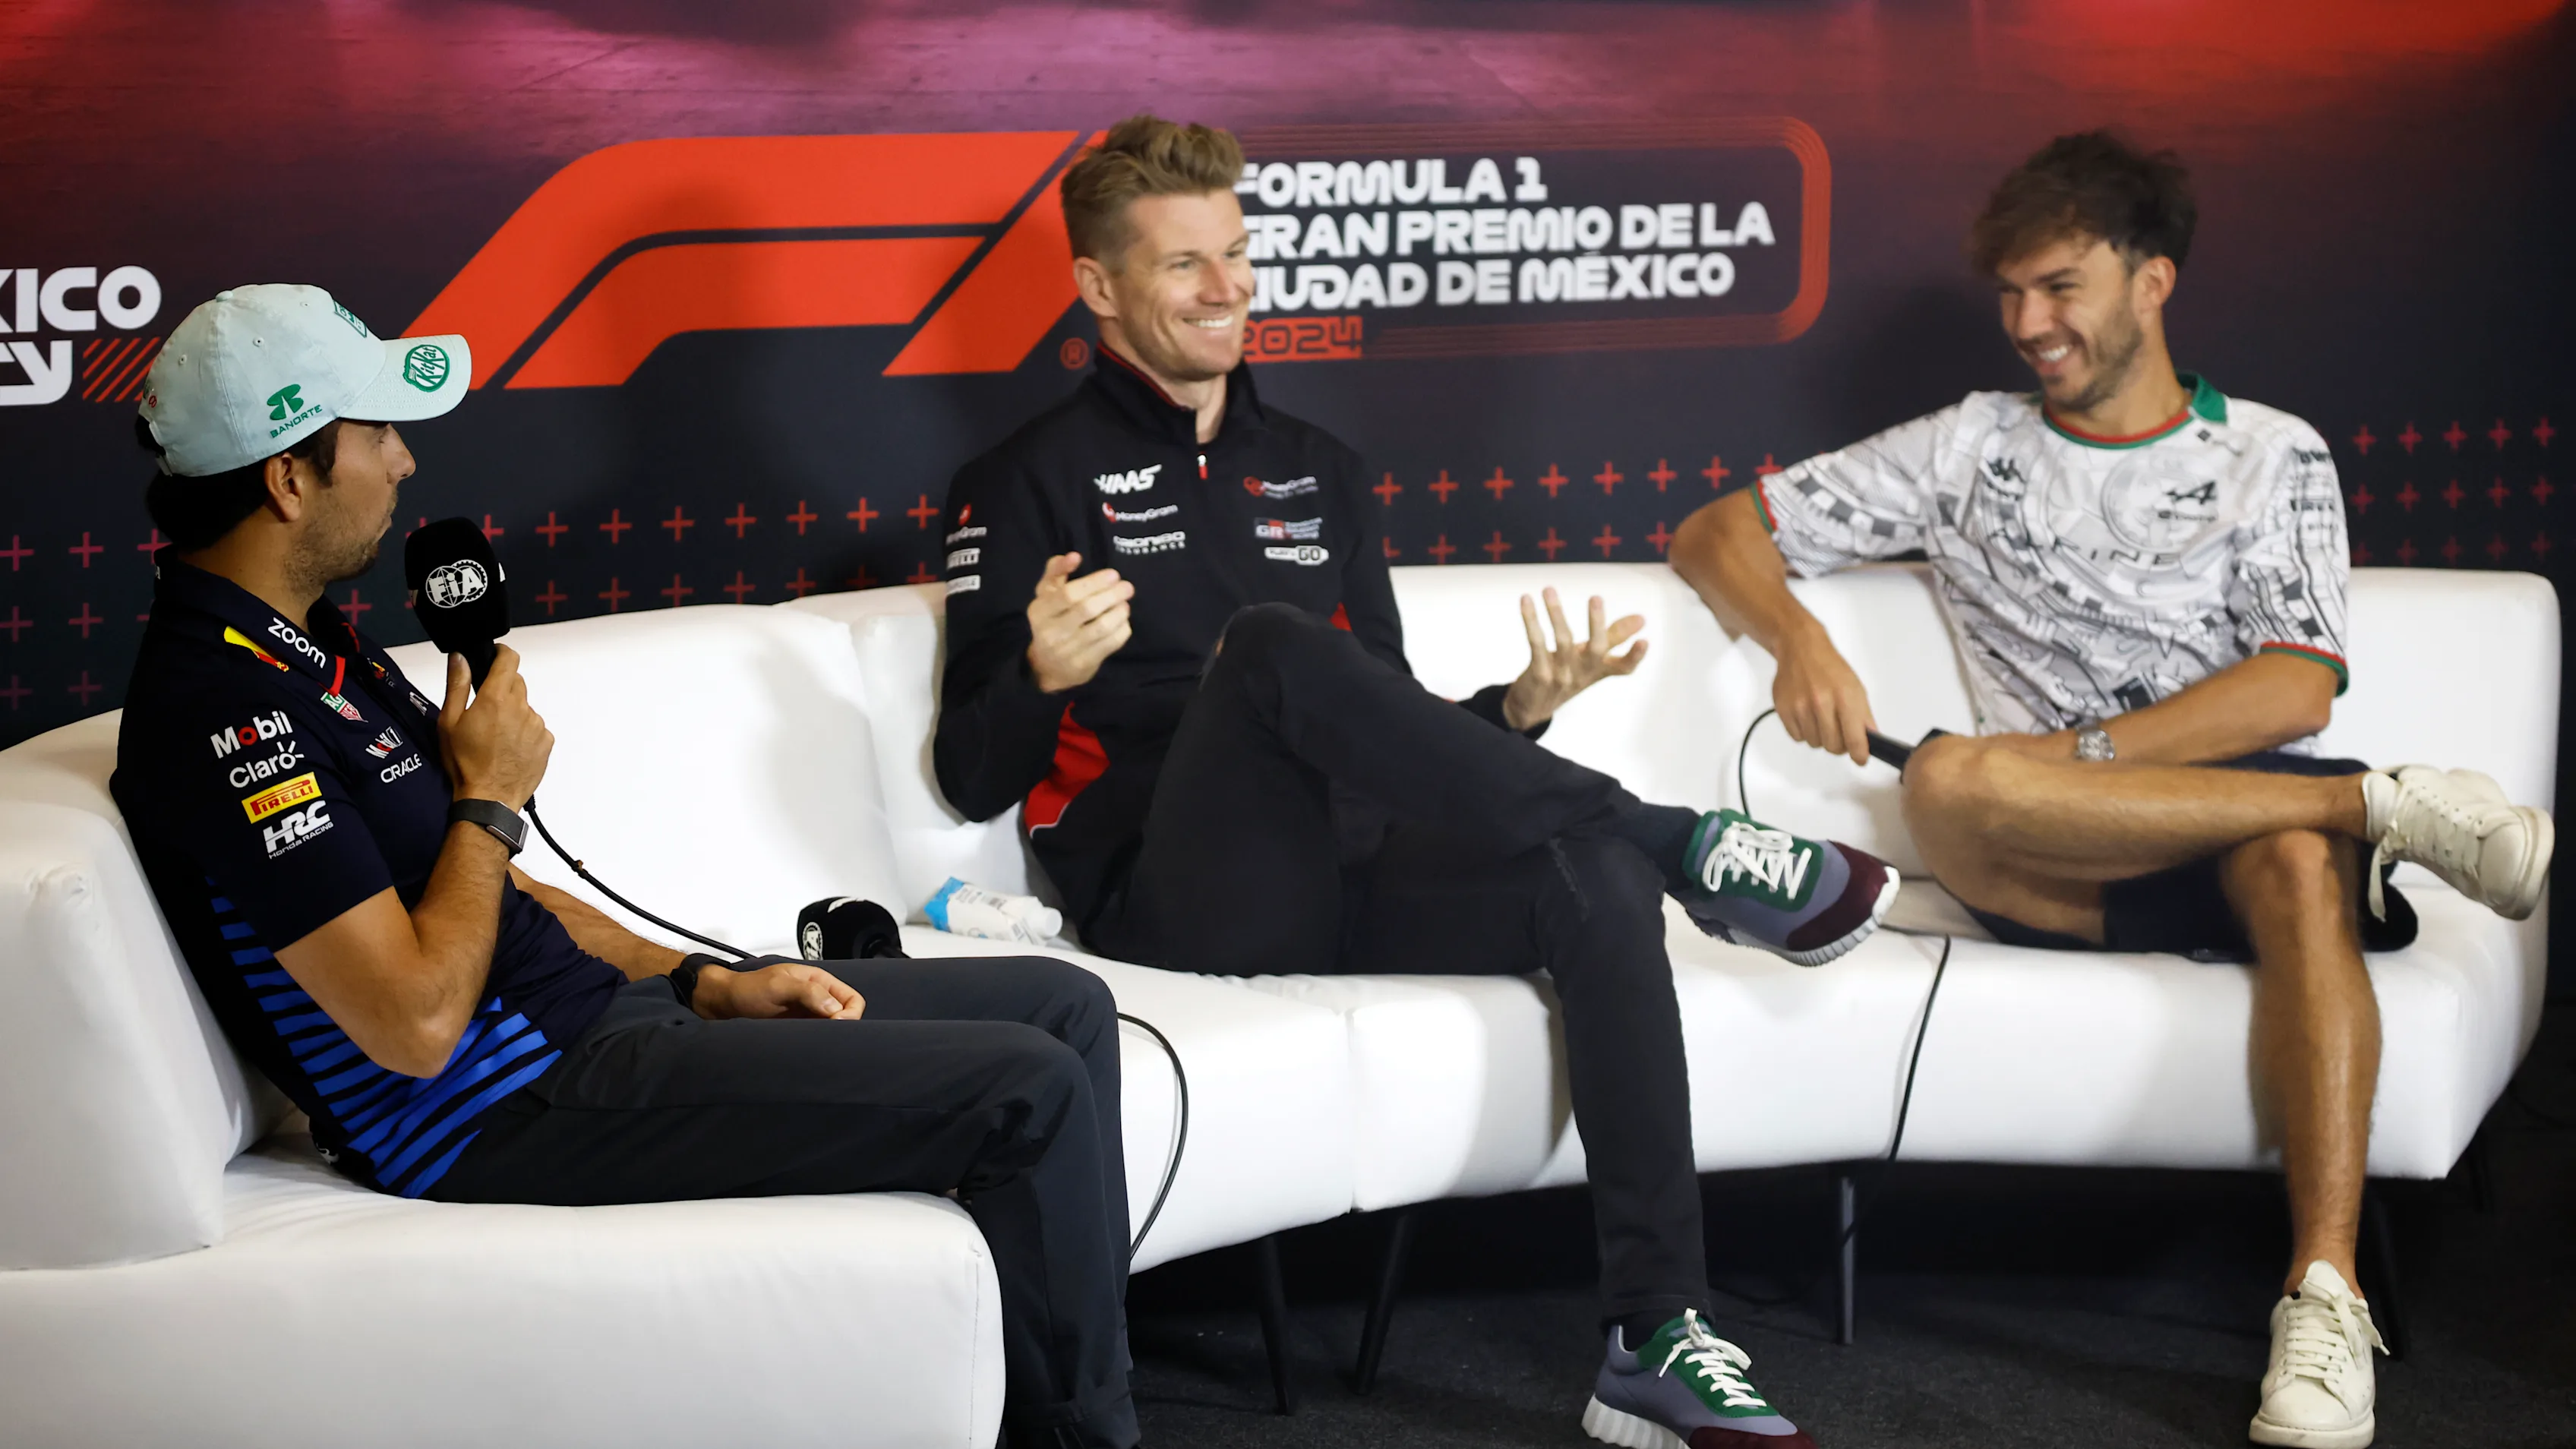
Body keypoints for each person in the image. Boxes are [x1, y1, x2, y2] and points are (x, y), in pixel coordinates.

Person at [935, 113, 1899, 1449]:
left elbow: (1378, 727)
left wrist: (1513, 712)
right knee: (1269, 647)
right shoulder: (1022, 482)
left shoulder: (1322, 473)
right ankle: (1691, 842)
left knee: (1592, 871)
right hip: (1180, 895)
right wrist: (1037, 675)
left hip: (1353, 861)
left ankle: (1656, 1333)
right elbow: (971, 774)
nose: (1229, 290)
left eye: (1237, 254)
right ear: (1099, 288)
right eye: (1183, 267)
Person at [110, 286, 1140, 1449]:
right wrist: (489, 799)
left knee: (1066, 1004)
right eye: (376, 434)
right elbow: (413, 1026)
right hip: (500, 1111)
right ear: (289, 479)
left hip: (604, 1022)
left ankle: (1055, 1400)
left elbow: (503, 895)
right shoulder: (222, 708)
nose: (404, 463)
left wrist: (707, 977)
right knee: (1027, 1092)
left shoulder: (313, 646)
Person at [1670, 131, 2553, 1449]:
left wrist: (2082, 754)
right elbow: (1712, 534)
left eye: (2061, 287)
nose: (2029, 324)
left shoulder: (2272, 454)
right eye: (2012, 294)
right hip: (2041, 860)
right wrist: (1802, 638)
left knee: (2276, 862)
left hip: (2225, 819)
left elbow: (2296, 689)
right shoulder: (1966, 448)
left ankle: (2322, 1300)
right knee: (1963, 784)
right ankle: (2376, 807)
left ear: (2154, 281)